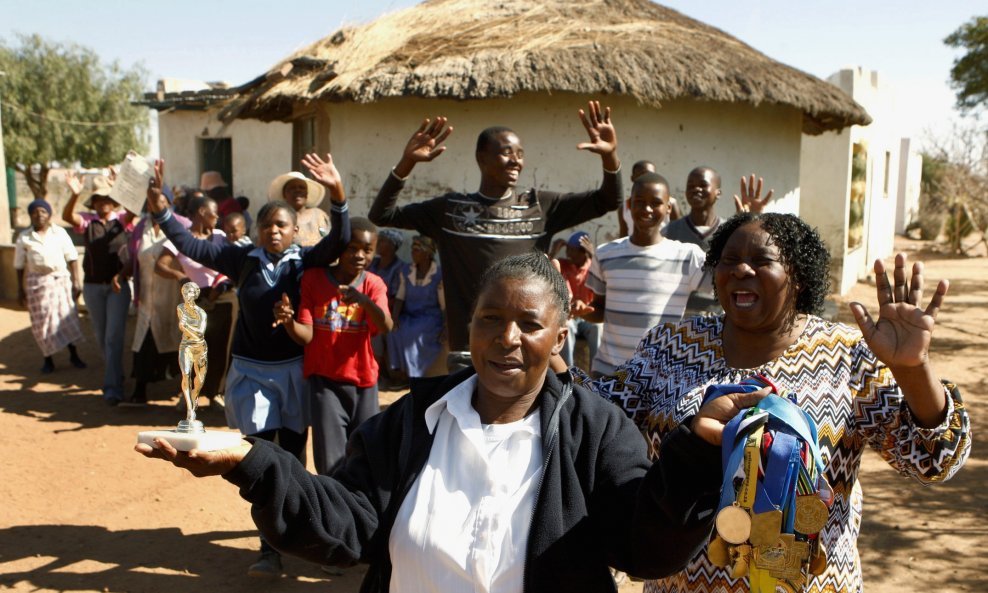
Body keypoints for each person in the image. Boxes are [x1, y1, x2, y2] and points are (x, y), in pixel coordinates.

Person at [137, 250, 765, 593]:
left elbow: (642, 548)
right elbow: (348, 526)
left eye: (529, 324)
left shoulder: (595, 430)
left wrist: (691, 462)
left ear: (562, 335)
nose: (507, 339)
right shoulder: (415, 419)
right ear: (469, 327)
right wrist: (250, 460)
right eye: (490, 319)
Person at [564, 212, 972, 593]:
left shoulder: (847, 355)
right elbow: (600, 410)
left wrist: (914, 369)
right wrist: (546, 354)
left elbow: (933, 460)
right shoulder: (671, 346)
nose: (742, 269)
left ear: (798, 279)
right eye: (729, 260)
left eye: (762, 261)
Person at [144, 153, 351, 578]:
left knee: (294, 458)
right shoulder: (243, 260)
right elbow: (191, 246)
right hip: (252, 373)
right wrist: (163, 210)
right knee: (259, 457)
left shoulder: (304, 262)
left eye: (282, 225)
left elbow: (340, 242)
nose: (274, 231)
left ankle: (306, 537)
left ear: (296, 231)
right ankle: (268, 547)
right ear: (258, 230)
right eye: (267, 225)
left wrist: (338, 193)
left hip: (292, 370)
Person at [369, 100, 623, 372]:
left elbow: (608, 200)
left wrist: (610, 157)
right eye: (506, 153)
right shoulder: (450, 211)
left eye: (521, 154)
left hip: (524, 348)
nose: (516, 160)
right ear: (481, 158)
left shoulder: (538, 207)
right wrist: (406, 163)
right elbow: (382, 215)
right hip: (470, 350)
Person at [274, 217, 392, 476]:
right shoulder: (314, 280)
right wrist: (288, 322)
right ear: (340, 248)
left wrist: (363, 301)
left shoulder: (373, 284)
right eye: (352, 248)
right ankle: (332, 512)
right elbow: (306, 336)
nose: (360, 255)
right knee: (330, 463)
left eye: (367, 250)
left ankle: (359, 512)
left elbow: (386, 325)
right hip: (325, 383)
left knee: (366, 455)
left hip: (364, 382)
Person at [585, 172, 705, 375]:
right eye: (640, 202)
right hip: (609, 374)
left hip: (661, 377)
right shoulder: (606, 254)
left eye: (656, 203)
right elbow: (599, 309)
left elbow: (726, 284)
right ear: (630, 205)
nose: (647, 209)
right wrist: (580, 311)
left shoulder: (688, 256)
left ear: (668, 208)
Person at [63, 172, 134, 405]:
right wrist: (74, 194)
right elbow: (67, 216)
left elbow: (134, 209)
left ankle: (113, 388)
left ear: (113, 201)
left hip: (117, 286)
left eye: (107, 198)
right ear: (93, 203)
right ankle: (116, 375)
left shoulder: (122, 219)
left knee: (113, 337)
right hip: (93, 288)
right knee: (103, 338)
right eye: (98, 199)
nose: (103, 203)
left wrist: (120, 188)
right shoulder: (88, 222)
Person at [155, 196, 232, 406]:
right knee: (192, 348)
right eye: (214, 213)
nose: (217, 218)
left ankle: (215, 393)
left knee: (218, 348)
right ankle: (188, 394)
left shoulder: (220, 236)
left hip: (221, 298)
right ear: (201, 213)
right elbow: (160, 266)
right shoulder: (181, 240)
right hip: (195, 301)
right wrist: (179, 276)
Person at [125, 188, 188, 404]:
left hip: (171, 296)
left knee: (176, 341)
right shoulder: (141, 228)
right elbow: (133, 257)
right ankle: (139, 390)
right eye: (151, 202)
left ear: (169, 205)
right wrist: (121, 275)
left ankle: (183, 391)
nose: (154, 206)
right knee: (143, 342)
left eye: (160, 201)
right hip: (146, 297)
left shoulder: (180, 227)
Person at [14, 199, 87, 373]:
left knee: (66, 319)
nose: (39, 215)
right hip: (37, 284)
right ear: (30, 215)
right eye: (35, 212)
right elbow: (19, 265)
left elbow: (72, 257)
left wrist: (76, 281)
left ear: (49, 214)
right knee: (42, 323)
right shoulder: (24, 237)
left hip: (60, 281)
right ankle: (48, 359)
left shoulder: (59, 233)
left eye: (43, 211)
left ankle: (74, 355)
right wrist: (20, 289)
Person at [387, 234, 445, 378]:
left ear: (427, 253)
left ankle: (416, 375)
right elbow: (400, 297)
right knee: (393, 331)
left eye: (417, 249)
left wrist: (446, 326)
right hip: (409, 315)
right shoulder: (407, 271)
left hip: (430, 317)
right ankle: (400, 373)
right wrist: (394, 317)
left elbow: (443, 305)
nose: (413, 253)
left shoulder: (438, 274)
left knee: (413, 334)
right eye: (412, 249)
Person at [550, 230, 600, 371]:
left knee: (597, 327)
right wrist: (553, 251)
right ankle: (568, 372)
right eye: (567, 249)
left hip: (588, 317)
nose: (567, 254)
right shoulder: (563, 265)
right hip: (569, 316)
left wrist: (594, 255)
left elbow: (606, 278)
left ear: (583, 252)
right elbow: (544, 271)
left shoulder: (594, 267)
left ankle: (595, 372)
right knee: (567, 327)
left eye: (572, 250)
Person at [368, 228, 407, 387]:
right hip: (367, 308)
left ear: (392, 246)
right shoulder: (372, 263)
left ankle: (379, 374)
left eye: (383, 241)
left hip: (387, 312)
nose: (378, 243)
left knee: (379, 333)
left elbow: (396, 298)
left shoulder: (400, 268)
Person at [617, 160, 680, 237]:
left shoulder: (670, 203)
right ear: (632, 178)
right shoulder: (624, 207)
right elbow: (623, 236)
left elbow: (678, 232)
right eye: (642, 174)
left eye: (650, 174)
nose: (647, 178)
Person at [268, 171, 330, 247]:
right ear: (284, 194)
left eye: (302, 187)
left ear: (307, 193)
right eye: (292, 188)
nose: (298, 190)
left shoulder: (320, 215)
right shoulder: (279, 218)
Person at [176, 282, 208, 422]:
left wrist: (185, 326)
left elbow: (200, 333)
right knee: (186, 374)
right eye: (185, 292)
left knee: (199, 380)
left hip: (200, 348)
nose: (187, 295)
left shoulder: (201, 313)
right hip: (186, 346)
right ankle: (189, 408)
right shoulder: (180, 308)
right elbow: (183, 329)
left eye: (190, 292)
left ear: (196, 294)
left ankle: (194, 398)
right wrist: (183, 327)